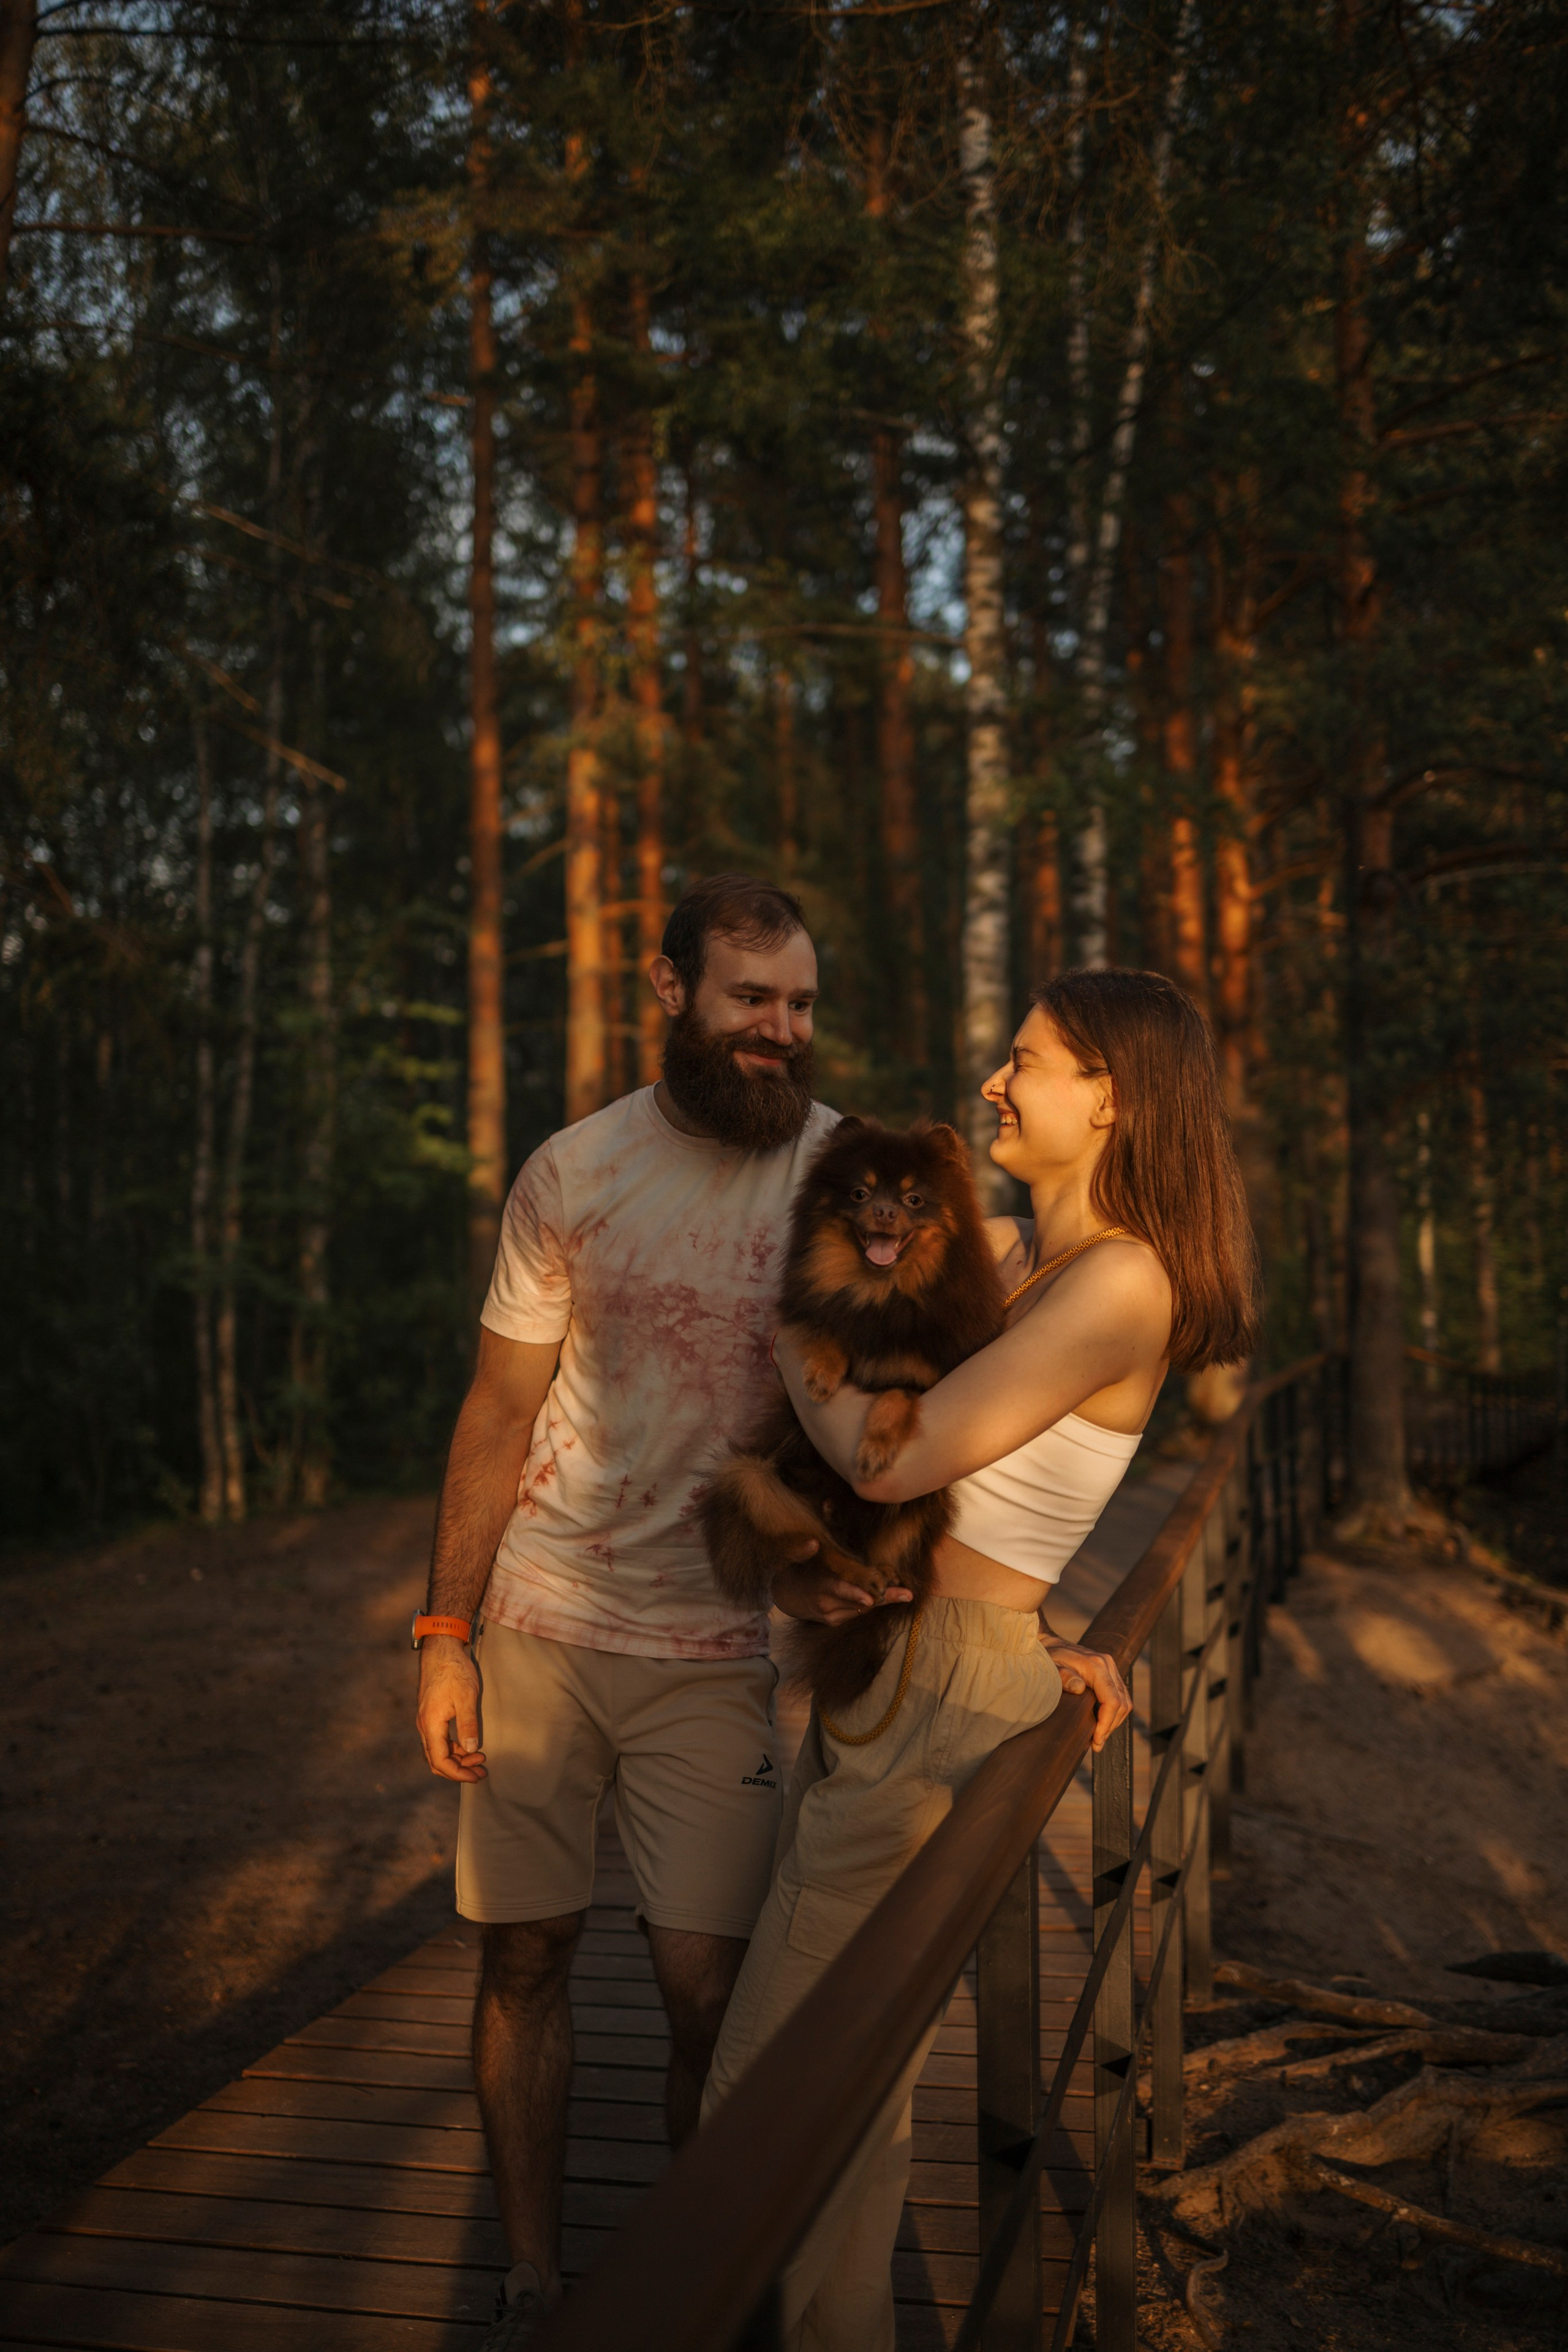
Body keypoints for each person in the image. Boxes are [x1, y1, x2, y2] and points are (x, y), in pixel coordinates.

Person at [701, 967, 1262, 2352]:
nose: (995, 1084)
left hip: (940, 1686)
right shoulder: (1012, 1253)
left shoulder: (1126, 1277)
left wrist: (797, 1349)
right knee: (852, 2097)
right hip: (917, 1665)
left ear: (1112, 1097)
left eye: (1027, 1061)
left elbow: (912, 1464)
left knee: (760, 2106)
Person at [412, 876, 898, 2350]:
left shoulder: (840, 1176)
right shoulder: (573, 1171)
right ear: (670, 989)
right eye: (751, 997)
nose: (780, 1030)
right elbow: (498, 1409)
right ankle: (535, 2272)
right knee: (526, 1957)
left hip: (710, 1650)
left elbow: (912, 1396)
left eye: (801, 1004)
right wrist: (442, 1637)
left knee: (712, 1996)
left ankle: (702, 2275)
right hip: (541, 1624)